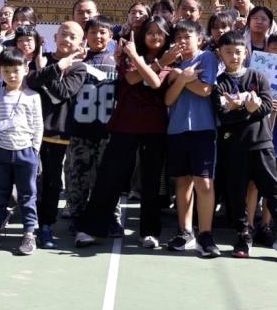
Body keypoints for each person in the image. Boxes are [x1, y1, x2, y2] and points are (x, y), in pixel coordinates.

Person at [74, 17, 177, 249]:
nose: (155, 37)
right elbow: (132, 78)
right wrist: (148, 61)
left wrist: (156, 62)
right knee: (109, 178)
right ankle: (89, 229)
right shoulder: (130, 54)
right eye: (150, 32)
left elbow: (154, 83)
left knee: (151, 182)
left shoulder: (170, 59)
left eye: (160, 33)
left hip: (155, 128)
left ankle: (149, 232)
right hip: (125, 125)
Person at [212, 31, 277, 263]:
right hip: (233, 147)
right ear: (220, 54)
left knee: (272, 190)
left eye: (238, 52)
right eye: (228, 52)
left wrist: (243, 107)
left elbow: (266, 106)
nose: (233, 56)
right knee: (236, 193)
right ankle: (244, 235)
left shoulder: (258, 76)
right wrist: (247, 108)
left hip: (262, 143)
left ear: (246, 53)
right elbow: (223, 116)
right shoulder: (219, 84)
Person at [0, 48, 43, 255]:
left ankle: (29, 234)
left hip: (25, 153)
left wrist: (34, 150)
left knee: (27, 195)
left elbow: (38, 125)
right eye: (6, 71)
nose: (11, 75)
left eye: (16, 70)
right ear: (0, 72)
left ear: (26, 70)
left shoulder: (33, 97)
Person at [25, 21, 87, 248]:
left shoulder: (79, 68)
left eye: (73, 36)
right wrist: (48, 69)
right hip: (29, 131)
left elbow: (62, 92)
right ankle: (28, 225)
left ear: (80, 43)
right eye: (63, 34)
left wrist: (49, 71)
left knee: (51, 182)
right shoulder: (41, 59)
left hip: (56, 133)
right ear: (55, 36)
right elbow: (30, 80)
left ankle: (46, 226)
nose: (66, 39)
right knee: (28, 180)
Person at [164, 19, 219, 253]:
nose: (182, 41)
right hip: (176, 129)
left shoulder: (207, 57)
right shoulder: (173, 64)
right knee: (183, 181)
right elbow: (168, 99)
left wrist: (182, 78)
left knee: (204, 182)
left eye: (187, 37)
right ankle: (185, 232)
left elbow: (205, 90)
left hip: (203, 129)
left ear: (200, 39)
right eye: (178, 38)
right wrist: (181, 77)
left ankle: (205, 234)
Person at [65, 16, 118, 224]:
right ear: (85, 35)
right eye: (93, 32)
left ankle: (109, 218)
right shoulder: (76, 60)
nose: (98, 36)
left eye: (102, 32)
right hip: (80, 130)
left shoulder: (117, 61)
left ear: (111, 35)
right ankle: (77, 216)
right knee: (77, 176)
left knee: (107, 177)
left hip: (107, 131)